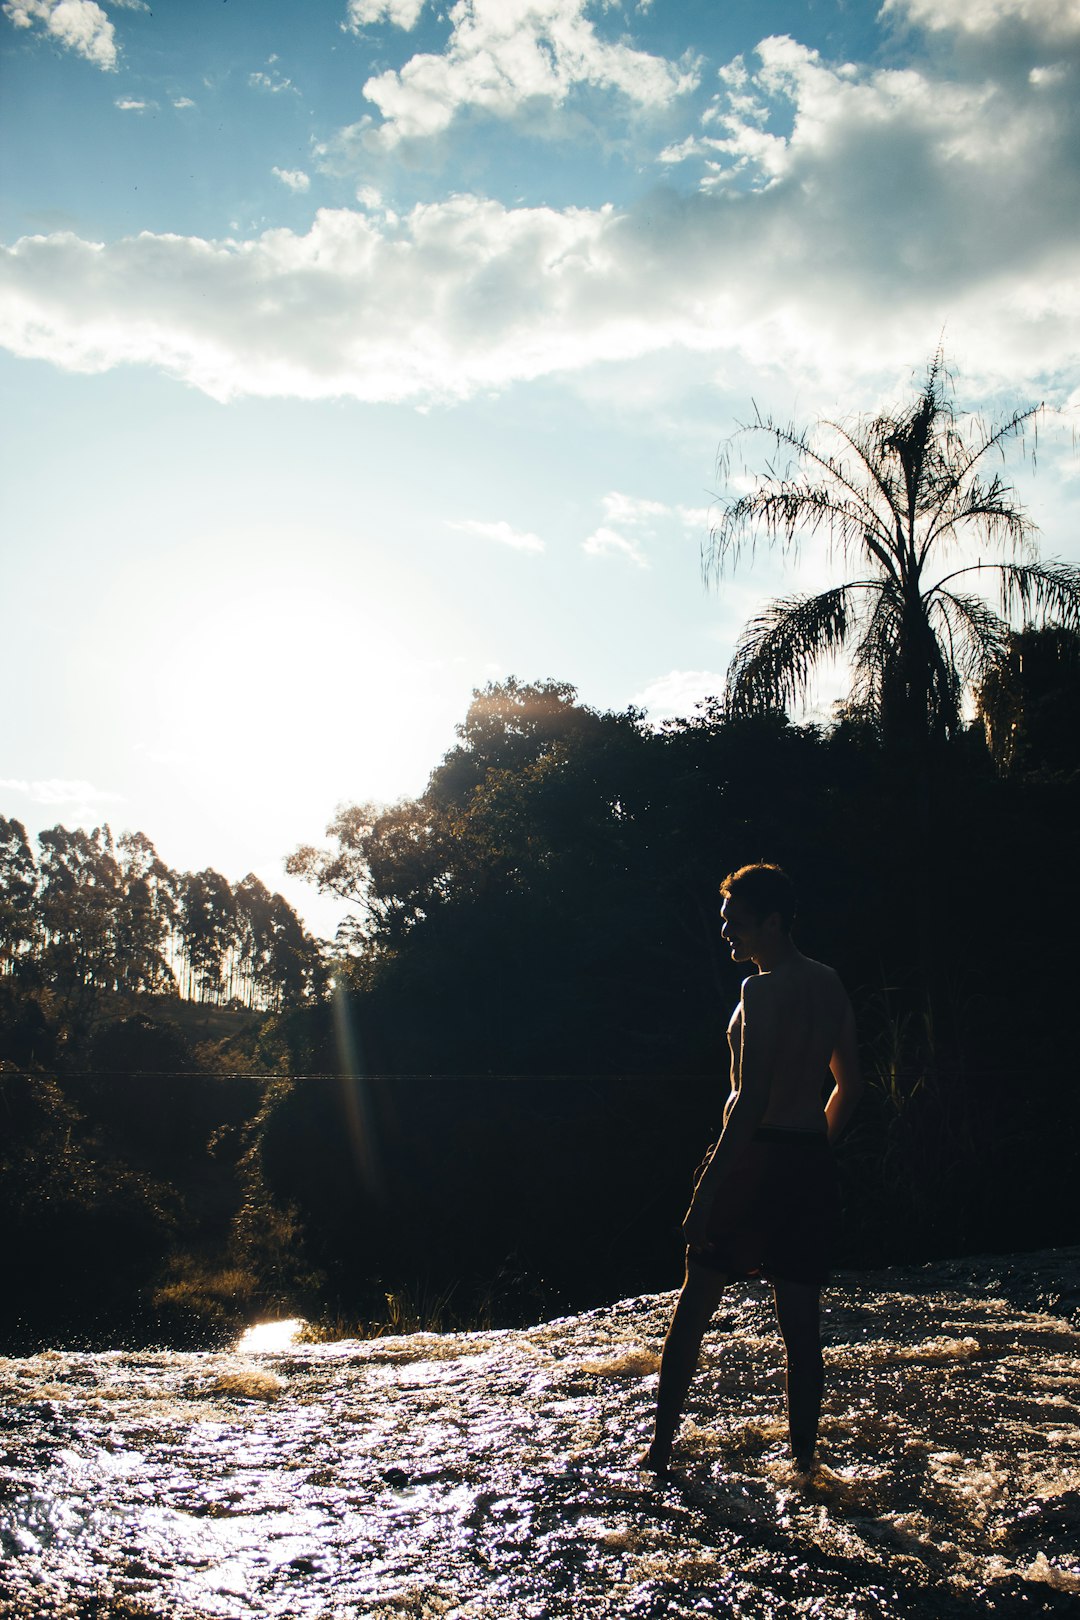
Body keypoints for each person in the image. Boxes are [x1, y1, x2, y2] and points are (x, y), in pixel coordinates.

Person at [641, 862, 862, 1478]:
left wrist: (705, 1193)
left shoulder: (760, 991)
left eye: (734, 922)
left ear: (772, 921)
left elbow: (751, 1100)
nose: (724, 932)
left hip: (753, 1157)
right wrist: (815, 1147)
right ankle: (804, 1465)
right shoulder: (830, 983)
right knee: (801, 1326)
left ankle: (660, 1452)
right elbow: (851, 1087)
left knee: (694, 1307)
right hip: (807, 1163)